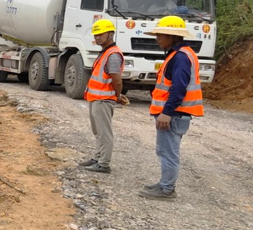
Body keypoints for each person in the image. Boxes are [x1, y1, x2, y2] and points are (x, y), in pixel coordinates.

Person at [140, 15, 203, 200]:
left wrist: (166, 112)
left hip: (174, 114)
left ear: (172, 36)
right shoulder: (180, 54)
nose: (157, 38)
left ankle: (167, 189)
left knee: (168, 152)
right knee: (165, 150)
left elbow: (178, 88)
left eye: (160, 34)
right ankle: (164, 184)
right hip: (176, 113)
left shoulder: (180, 57)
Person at [78, 19, 129, 174]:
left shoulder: (112, 55)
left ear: (111, 34)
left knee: (104, 132)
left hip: (103, 99)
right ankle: (98, 158)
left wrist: (117, 96)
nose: (97, 37)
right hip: (97, 98)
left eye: (101, 34)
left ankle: (104, 163)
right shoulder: (106, 53)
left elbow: (117, 80)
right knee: (98, 131)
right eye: (96, 35)